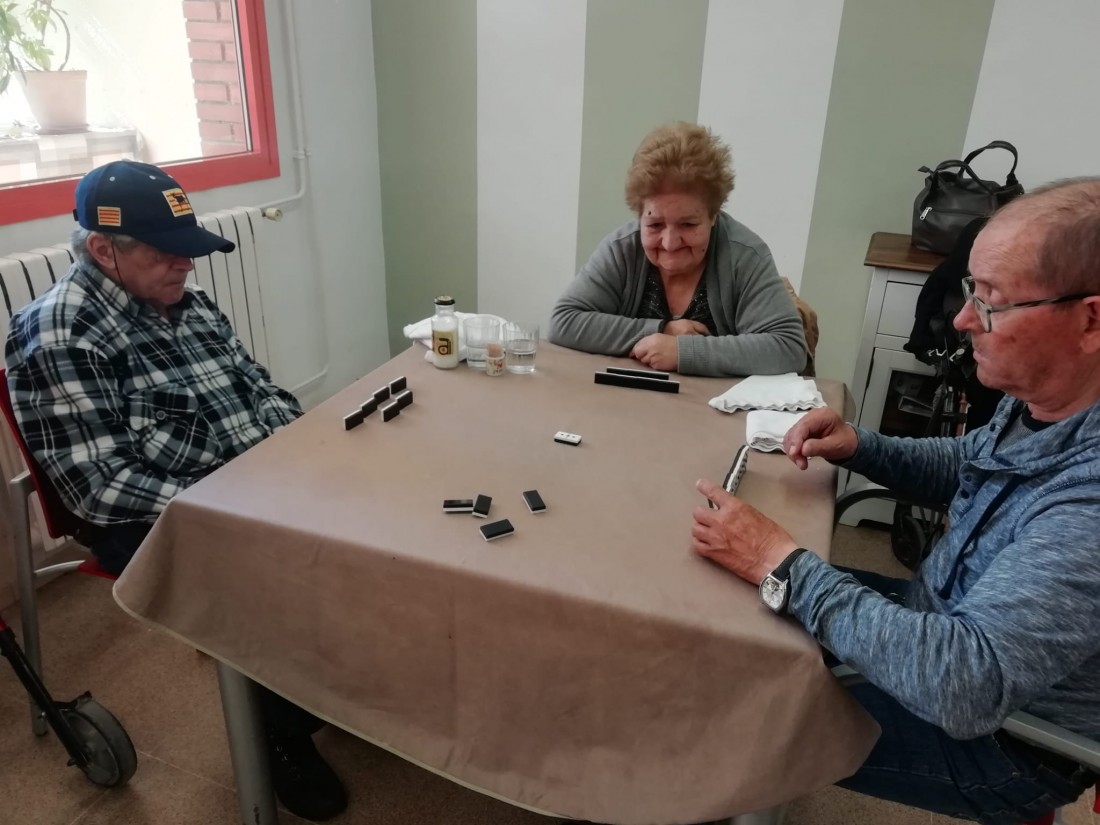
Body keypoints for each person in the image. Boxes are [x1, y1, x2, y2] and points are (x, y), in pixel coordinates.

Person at [691, 178, 1100, 824]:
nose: (963, 319)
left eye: (991, 301)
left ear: (1090, 320)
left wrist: (782, 563)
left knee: (716, 694)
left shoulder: (1088, 505)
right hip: (936, 622)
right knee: (718, 618)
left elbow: (965, 682)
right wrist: (861, 445)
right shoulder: (1052, 401)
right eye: (971, 290)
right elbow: (973, 463)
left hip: (1002, 743)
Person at [4, 160, 347, 822]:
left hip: (248, 481)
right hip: (151, 513)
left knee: (359, 523)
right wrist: (245, 505)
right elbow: (101, 487)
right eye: (165, 252)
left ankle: (329, 686)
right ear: (103, 249)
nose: (185, 265)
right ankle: (279, 730)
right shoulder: (61, 331)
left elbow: (259, 388)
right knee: (269, 570)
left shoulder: (186, 303)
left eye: (186, 249)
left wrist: (306, 452)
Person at [548, 122, 808, 377]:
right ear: (639, 215)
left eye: (688, 224)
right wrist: (662, 330)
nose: (670, 243)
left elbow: (788, 348)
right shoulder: (622, 249)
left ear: (714, 215)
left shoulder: (744, 256)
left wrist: (683, 352)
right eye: (655, 224)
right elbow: (564, 322)